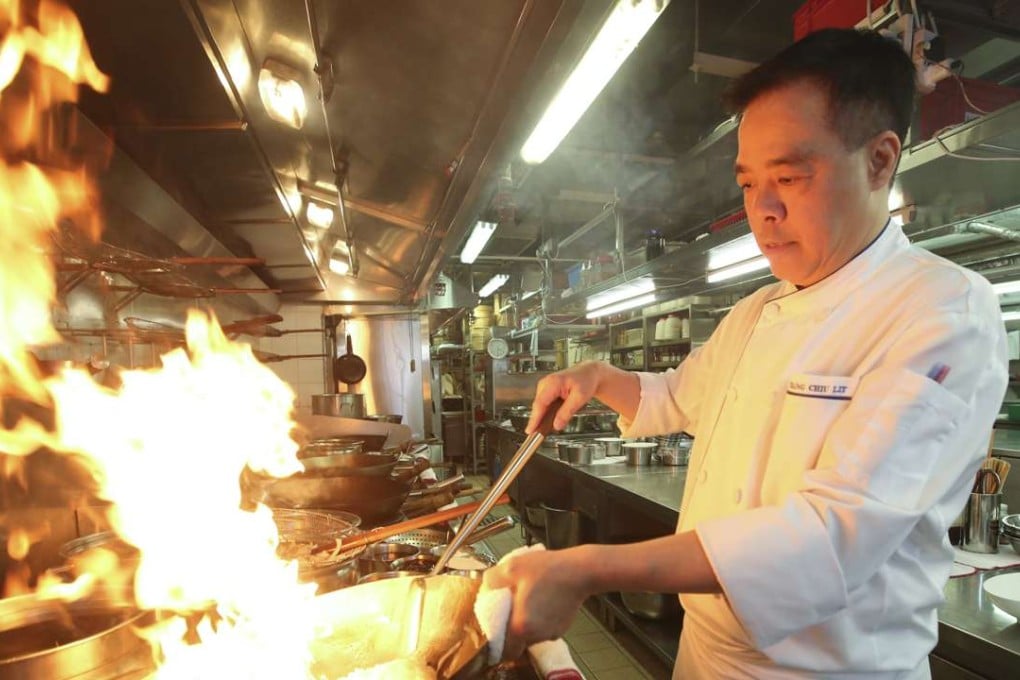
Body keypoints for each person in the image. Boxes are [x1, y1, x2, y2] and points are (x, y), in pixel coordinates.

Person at [483, 28, 1007, 679]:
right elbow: (677, 396)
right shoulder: (757, 310)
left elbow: (830, 536)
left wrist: (588, 566)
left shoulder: (944, 310)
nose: (763, 209)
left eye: (788, 176)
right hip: (706, 657)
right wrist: (598, 376)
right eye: (749, 182)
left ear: (879, 160)